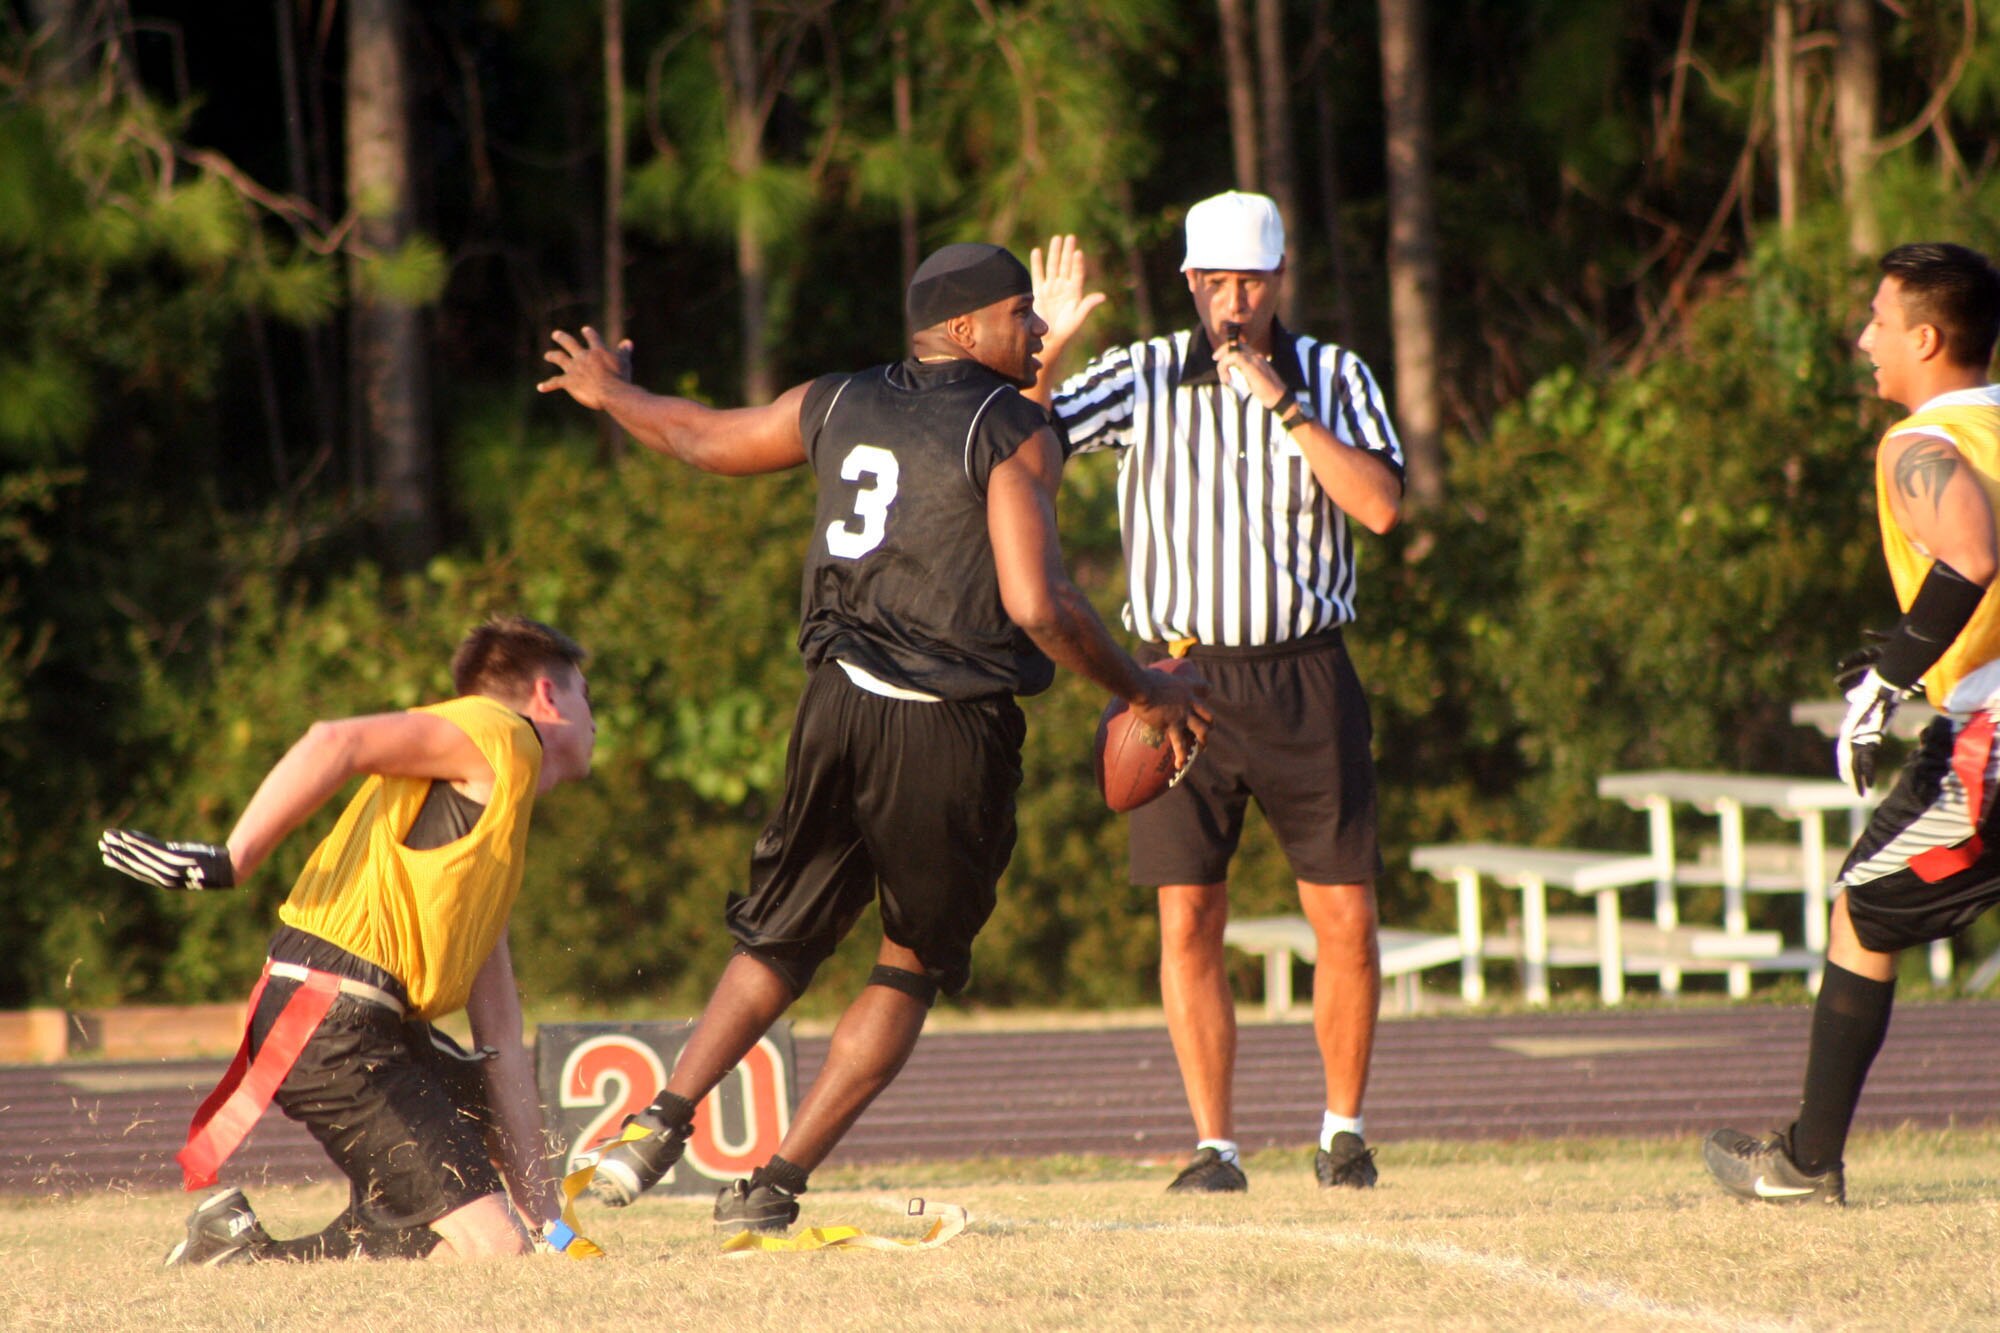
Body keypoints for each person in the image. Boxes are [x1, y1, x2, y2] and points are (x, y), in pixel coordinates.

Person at [536, 241, 1209, 1232]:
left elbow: (697, 437)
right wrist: (1141, 688)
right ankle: (771, 1184)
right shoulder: (1013, 426)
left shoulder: (839, 397)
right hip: (946, 731)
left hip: (834, 708)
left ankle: (660, 1121)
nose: (1035, 330)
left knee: (780, 934)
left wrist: (608, 394)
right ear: (967, 327)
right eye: (1022, 314)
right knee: (908, 959)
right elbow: (1037, 601)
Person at [1027, 193, 1406, 1193]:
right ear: (1189, 283)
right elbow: (1017, 446)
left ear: (1277, 281)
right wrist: (1048, 355)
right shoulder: (1145, 372)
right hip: (1176, 679)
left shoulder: (1332, 375)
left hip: (1303, 671)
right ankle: (1215, 1145)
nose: (1234, 301)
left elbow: (1376, 507)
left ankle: (1341, 1131)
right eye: (1216, 282)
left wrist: (1279, 400)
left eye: (1252, 281)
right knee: (1187, 917)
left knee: (1342, 918)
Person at [99, 616, 598, 1264]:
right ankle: (239, 1269)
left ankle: (237, 1251)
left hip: (358, 1021)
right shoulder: (503, 732)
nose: (596, 718)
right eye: (588, 695)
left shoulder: (494, 836)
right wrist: (232, 859)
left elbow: (500, 1045)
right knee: (494, 1250)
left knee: (462, 1209)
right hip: (333, 1020)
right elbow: (335, 738)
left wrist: (552, 1229)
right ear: (547, 696)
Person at [1704, 242, 2000, 1206]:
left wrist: (1889, 681)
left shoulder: (1917, 442)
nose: (1864, 337)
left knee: (1865, 904)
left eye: (1878, 318)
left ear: (1925, 336)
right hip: (1974, 712)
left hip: (1990, 739)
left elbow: (1970, 551)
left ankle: (1804, 1162)